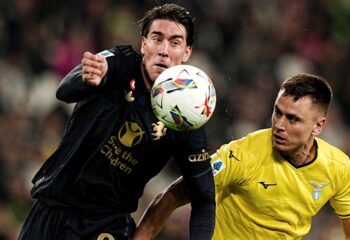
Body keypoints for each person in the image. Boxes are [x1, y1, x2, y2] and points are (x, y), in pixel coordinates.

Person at [18, 3, 215, 240]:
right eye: (157, 38)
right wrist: (87, 79)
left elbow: (204, 198)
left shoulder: (187, 118)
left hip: (105, 225)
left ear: (187, 52)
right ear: (144, 43)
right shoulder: (118, 63)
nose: (164, 50)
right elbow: (65, 91)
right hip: (53, 207)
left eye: (175, 42)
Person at [133, 73, 350, 239]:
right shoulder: (244, 154)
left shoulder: (338, 168)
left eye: (293, 119)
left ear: (318, 126)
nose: (279, 125)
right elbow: (171, 195)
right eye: (277, 112)